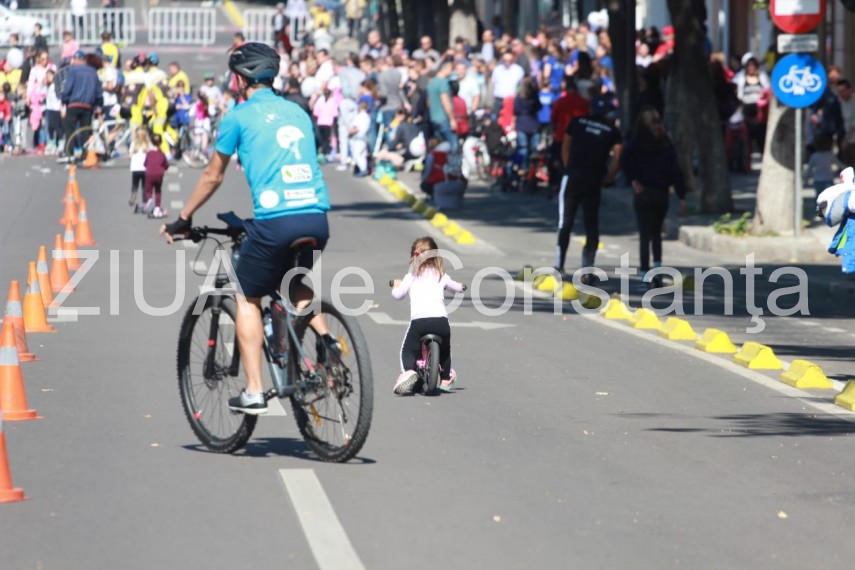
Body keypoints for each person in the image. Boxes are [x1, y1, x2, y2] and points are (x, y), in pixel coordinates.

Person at [160, 43, 334, 416]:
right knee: (296, 283)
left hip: (277, 220)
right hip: (317, 218)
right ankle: (329, 342)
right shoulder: (299, 112)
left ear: (239, 79)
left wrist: (185, 217)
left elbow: (213, 175)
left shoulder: (238, 116)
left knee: (246, 297)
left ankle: (254, 391)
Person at [620, 107, 687, 290]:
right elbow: (676, 169)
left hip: (642, 191)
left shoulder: (635, 141)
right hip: (661, 193)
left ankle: (644, 275)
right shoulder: (666, 142)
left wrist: (632, 180)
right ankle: (657, 272)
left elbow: (624, 160)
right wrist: (681, 194)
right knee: (657, 234)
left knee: (644, 235)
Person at [555, 97, 622, 278]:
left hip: (573, 177)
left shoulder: (577, 122)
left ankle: (559, 265)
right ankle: (588, 268)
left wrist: (569, 167)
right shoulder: (612, 131)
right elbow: (617, 157)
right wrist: (609, 178)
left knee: (565, 222)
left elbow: (565, 146)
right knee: (591, 225)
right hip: (594, 179)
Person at [390, 236, 465, 395]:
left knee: (407, 349)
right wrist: (461, 287)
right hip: (441, 322)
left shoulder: (411, 276)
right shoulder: (441, 275)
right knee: (445, 350)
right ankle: (445, 379)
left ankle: (409, 371)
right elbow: (456, 288)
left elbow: (398, 295)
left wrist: (396, 286)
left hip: (420, 323)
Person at [59, 50, 102, 162]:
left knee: (70, 130)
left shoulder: (73, 71)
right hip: (88, 105)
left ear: (78, 59)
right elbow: (98, 91)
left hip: (73, 104)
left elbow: (68, 88)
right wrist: (98, 105)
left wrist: (64, 100)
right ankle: (85, 154)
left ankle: (69, 153)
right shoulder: (93, 72)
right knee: (85, 131)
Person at [426, 58, 458, 151]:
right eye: (451, 69)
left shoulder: (431, 82)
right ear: (445, 68)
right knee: (453, 144)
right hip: (443, 118)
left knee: (439, 144)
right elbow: (445, 102)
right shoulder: (443, 83)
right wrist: (452, 119)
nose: (452, 72)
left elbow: (428, 103)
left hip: (434, 118)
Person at [144, 134, 169, 218]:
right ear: (161, 142)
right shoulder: (162, 154)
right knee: (158, 191)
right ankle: (157, 207)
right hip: (159, 174)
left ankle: (150, 200)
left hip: (149, 173)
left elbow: (145, 163)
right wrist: (164, 168)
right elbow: (166, 165)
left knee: (148, 190)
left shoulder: (149, 153)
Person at [128, 126, 150, 208]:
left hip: (135, 168)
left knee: (135, 185)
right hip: (145, 168)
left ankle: (133, 194)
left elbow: (130, 155)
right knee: (144, 186)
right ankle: (145, 201)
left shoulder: (134, 144)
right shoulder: (147, 145)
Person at [349, 98, 371, 176]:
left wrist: (351, 132)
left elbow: (356, 128)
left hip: (358, 138)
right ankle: (363, 168)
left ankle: (363, 169)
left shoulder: (359, 116)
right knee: (362, 155)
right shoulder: (367, 117)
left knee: (357, 154)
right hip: (364, 138)